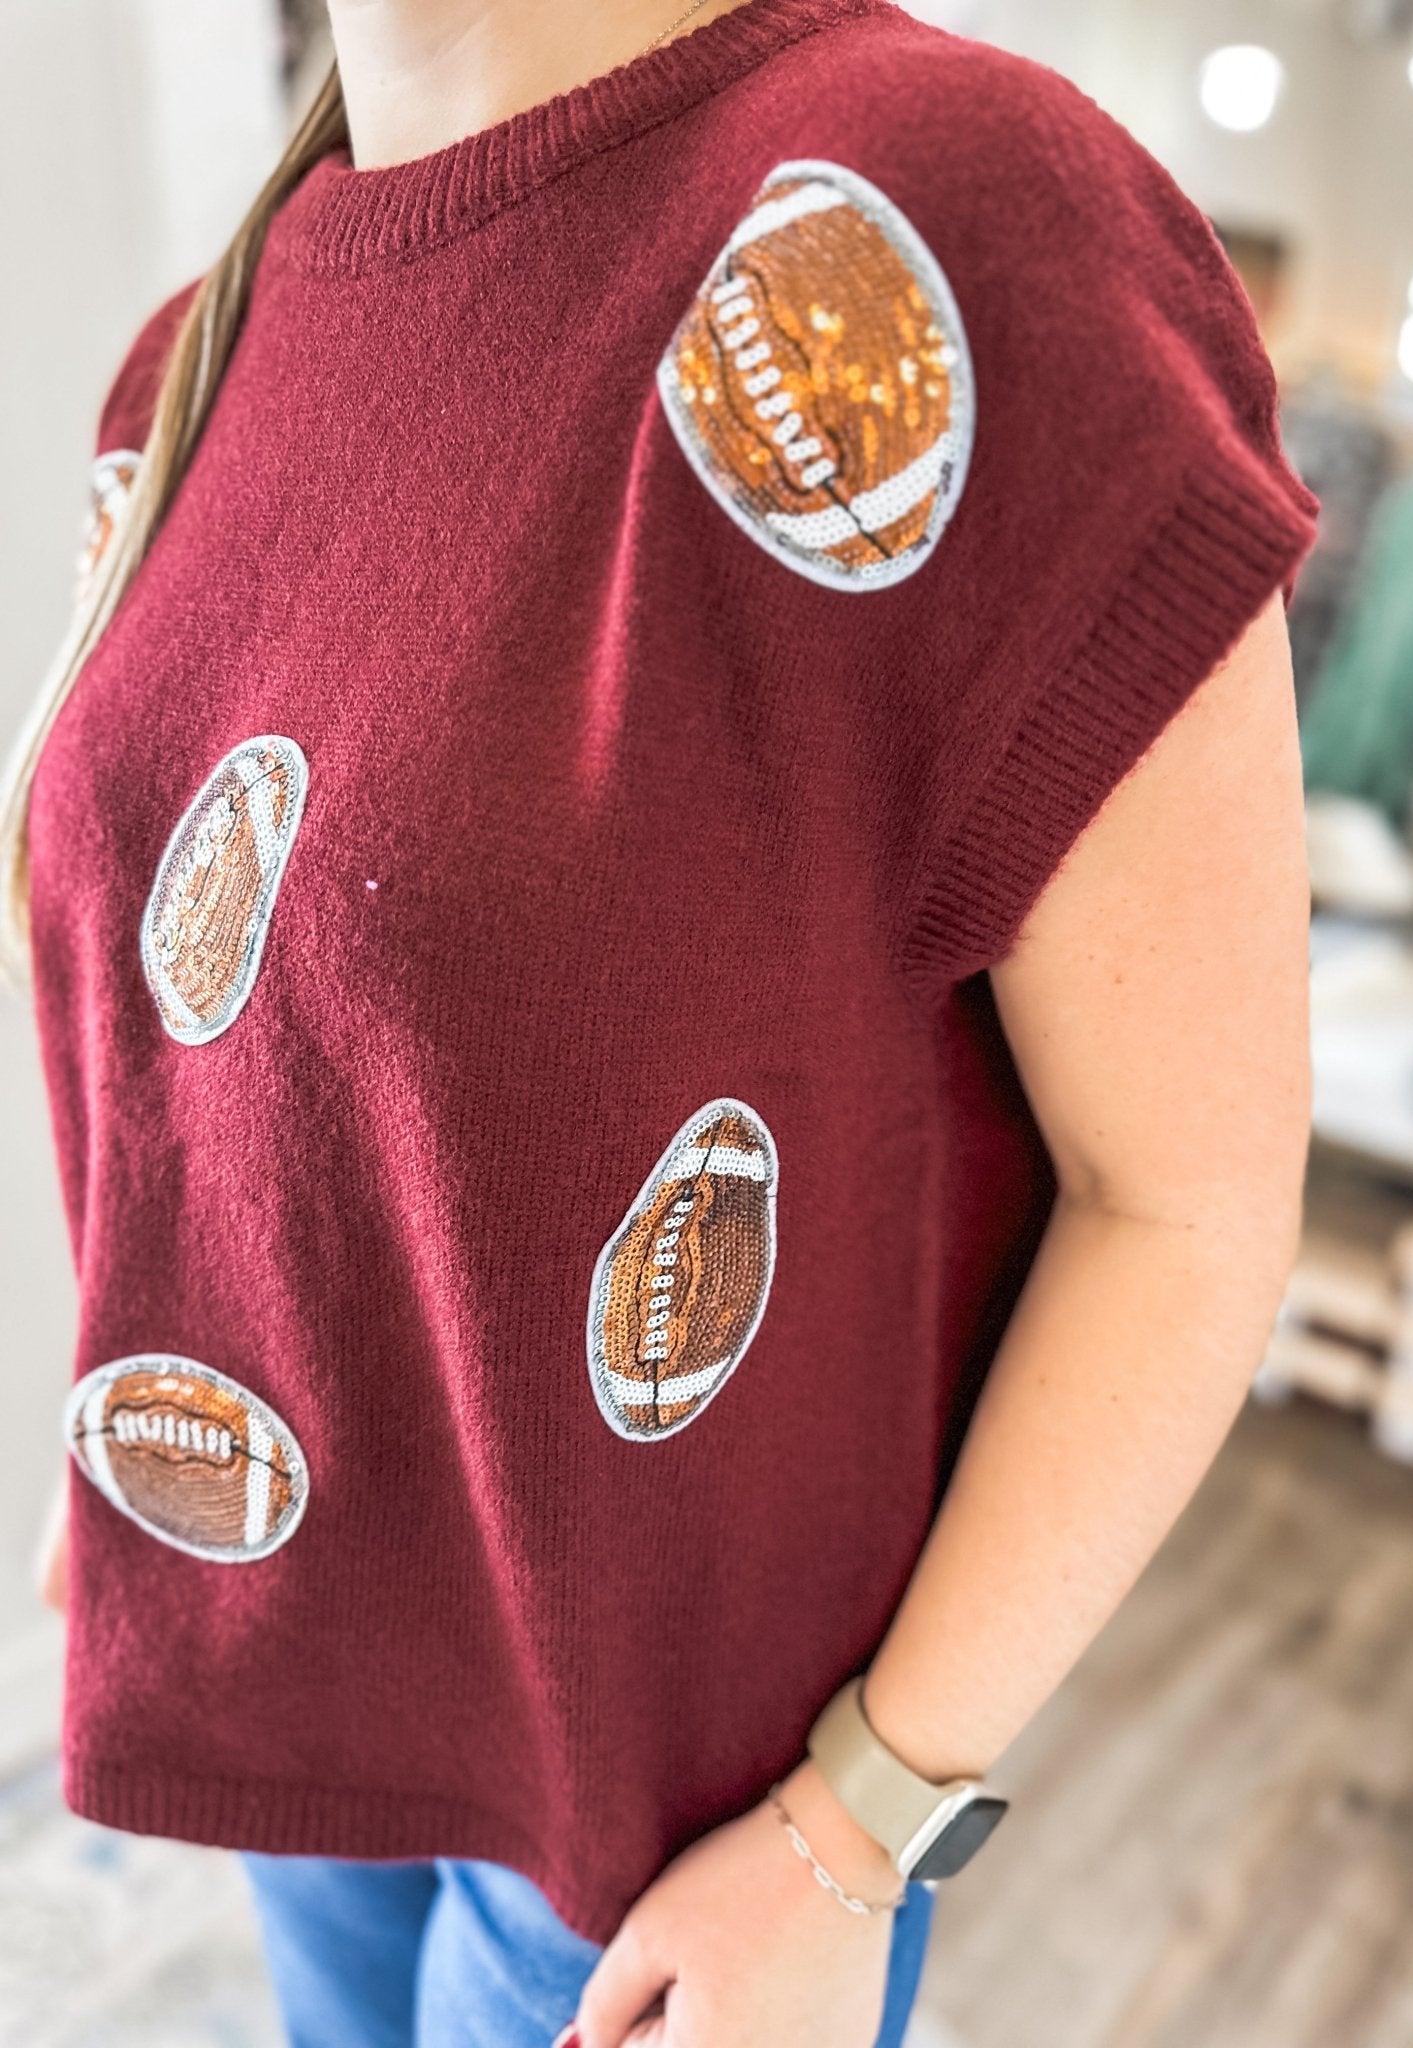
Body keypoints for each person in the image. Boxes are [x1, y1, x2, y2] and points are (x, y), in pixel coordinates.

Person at [1, 0, 1319, 2042]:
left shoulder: (948, 219)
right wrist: (131, 1453)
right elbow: (222, 1041)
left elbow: (1186, 1193)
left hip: (666, 1832)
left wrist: (857, 1829)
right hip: (293, 1666)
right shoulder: (193, 355)